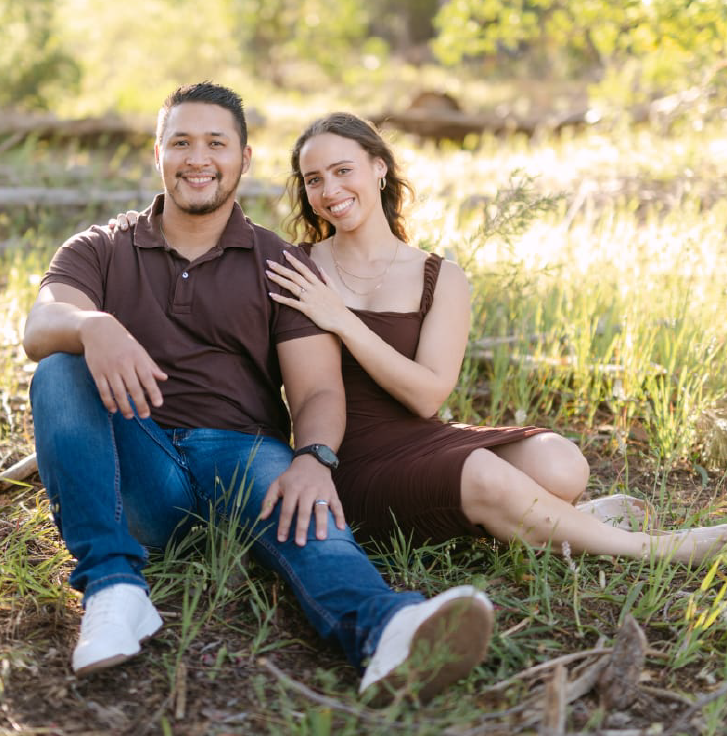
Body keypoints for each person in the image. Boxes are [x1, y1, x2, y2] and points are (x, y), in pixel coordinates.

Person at [22, 83, 495, 702]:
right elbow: (40, 325)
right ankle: (114, 591)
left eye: (217, 143)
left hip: (243, 454)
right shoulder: (100, 248)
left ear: (243, 160)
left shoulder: (278, 262)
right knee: (59, 369)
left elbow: (319, 391)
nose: (199, 158)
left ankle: (389, 630)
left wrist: (315, 458)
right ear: (157, 154)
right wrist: (93, 325)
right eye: (182, 142)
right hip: (141, 469)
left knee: (307, 510)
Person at [258, 111, 727, 565]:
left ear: (379, 167)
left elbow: (426, 398)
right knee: (480, 473)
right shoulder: (301, 270)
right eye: (314, 179)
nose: (329, 190)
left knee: (562, 464)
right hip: (351, 464)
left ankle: (559, 520)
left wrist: (343, 319)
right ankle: (655, 548)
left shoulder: (440, 276)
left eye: (343, 170)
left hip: (424, 438)